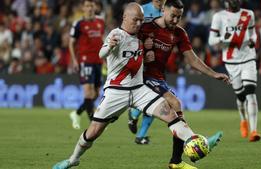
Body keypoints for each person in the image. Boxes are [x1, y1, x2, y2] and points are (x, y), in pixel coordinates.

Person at [52, 3, 223, 169]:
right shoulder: (116, 34)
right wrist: (109, 47)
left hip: (139, 89)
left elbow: (151, 47)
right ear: (125, 17)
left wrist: (148, 53)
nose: (139, 24)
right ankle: (72, 159)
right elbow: (101, 53)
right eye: (135, 20)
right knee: (94, 132)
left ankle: (195, 143)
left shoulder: (143, 35)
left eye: (141, 20)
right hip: (116, 91)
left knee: (171, 113)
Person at [128, 0, 229, 168]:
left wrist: (214, 74)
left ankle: (177, 159)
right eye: (173, 15)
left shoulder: (179, 33)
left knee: (175, 109)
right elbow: (128, 49)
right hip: (142, 77)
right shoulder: (145, 28)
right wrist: (142, 53)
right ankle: (187, 148)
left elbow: (192, 60)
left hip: (158, 78)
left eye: (179, 17)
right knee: (175, 103)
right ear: (163, 10)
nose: (175, 20)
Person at [208, 0, 261, 142]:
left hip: (248, 58)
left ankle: (254, 130)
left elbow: (253, 34)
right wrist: (225, 39)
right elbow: (211, 41)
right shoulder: (219, 16)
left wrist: (252, 41)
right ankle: (243, 120)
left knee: (250, 93)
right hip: (231, 62)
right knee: (241, 96)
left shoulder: (248, 14)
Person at [128, 0, 165, 145]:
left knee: (157, 96)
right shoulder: (142, 10)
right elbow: (131, 32)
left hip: (159, 59)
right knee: (155, 96)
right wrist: (143, 44)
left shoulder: (167, 12)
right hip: (143, 59)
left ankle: (135, 117)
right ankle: (137, 120)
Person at [69, 0, 105, 129]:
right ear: (83, 8)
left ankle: (76, 113)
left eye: (91, 6)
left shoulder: (100, 22)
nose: (89, 8)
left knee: (95, 93)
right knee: (88, 93)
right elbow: (71, 43)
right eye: (87, 6)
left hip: (98, 61)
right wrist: (74, 60)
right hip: (85, 60)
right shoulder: (79, 24)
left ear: (94, 7)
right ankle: (93, 123)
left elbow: (102, 40)